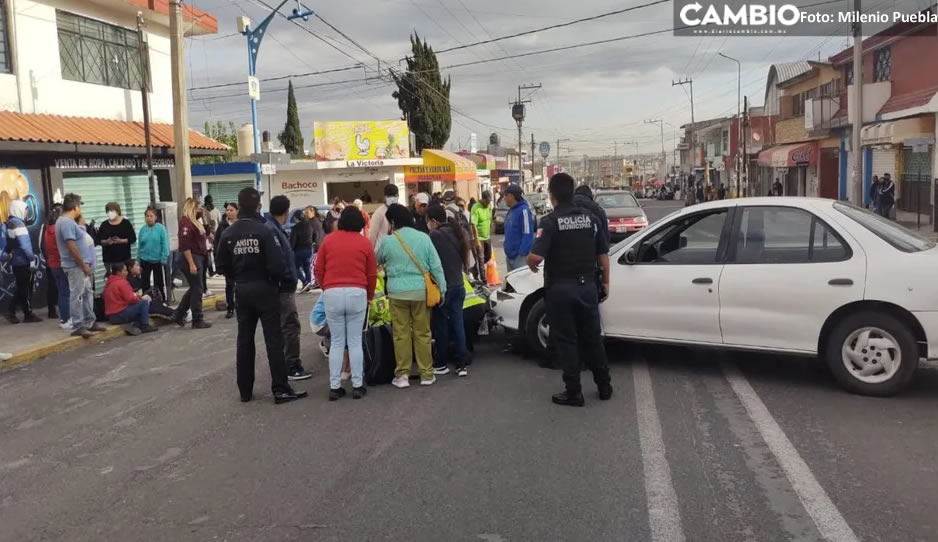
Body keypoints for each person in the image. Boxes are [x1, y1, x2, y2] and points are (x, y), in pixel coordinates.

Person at [527, 173, 612, 407]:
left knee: (567, 341)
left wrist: (529, 261)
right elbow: (603, 256)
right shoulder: (592, 219)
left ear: (551, 196)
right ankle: (604, 385)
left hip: (561, 290)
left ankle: (574, 391)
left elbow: (536, 257)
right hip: (588, 288)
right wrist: (605, 283)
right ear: (572, 192)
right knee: (593, 338)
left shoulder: (550, 222)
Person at [216, 187, 307, 405]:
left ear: (239, 206)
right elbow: (277, 265)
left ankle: (245, 391)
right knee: (273, 341)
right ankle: (280, 389)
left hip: (242, 289)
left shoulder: (229, 233)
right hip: (265, 289)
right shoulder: (264, 231)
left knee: (244, 341)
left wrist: (238, 276)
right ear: (257, 206)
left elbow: (220, 265)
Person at [377, 204, 447, 388]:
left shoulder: (388, 241)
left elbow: (378, 259)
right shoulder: (424, 238)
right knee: (423, 333)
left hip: (396, 293)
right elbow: (436, 266)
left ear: (392, 221)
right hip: (421, 293)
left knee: (401, 334)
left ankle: (402, 376)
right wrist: (442, 290)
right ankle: (426, 374)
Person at [315, 206, 378, 400]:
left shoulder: (328, 240)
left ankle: (335, 387)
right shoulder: (364, 243)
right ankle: (358, 385)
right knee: (354, 341)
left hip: (332, 292)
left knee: (337, 342)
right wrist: (368, 295)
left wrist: (327, 288)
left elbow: (318, 269)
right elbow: (371, 273)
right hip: (357, 293)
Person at [267, 195, 311, 381]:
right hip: (282, 287)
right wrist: (288, 278)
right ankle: (292, 366)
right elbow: (279, 260)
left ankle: (286, 364)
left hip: (280, 285)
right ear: (286, 211)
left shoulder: (273, 228)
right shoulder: (272, 230)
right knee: (290, 325)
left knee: (284, 326)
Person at [427, 204, 470, 377]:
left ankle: (442, 363)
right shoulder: (458, 232)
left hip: (444, 288)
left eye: (429, 222)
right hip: (459, 286)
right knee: (458, 325)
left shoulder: (435, 235)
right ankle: (461, 364)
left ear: (433, 221)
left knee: (441, 325)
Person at [56, 193, 105, 338]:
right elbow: (71, 246)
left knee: (87, 293)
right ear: (75, 207)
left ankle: (90, 321)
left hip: (79, 265)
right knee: (76, 294)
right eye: (79, 206)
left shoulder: (66, 222)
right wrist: (83, 264)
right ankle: (78, 325)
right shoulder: (66, 223)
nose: (80, 209)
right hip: (75, 265)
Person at [172, 198, 211, 329]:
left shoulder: (195, 222)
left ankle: (178, 314)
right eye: (199, 207)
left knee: (195, 288)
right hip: (191, 257)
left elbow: (207, 233)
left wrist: (204, 218)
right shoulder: (186, 222)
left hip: (199, 256)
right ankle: (197, 319)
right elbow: (184, 245)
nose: (201, 209)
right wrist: (191, 263)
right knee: (197, 289)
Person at [3, 200, 40, 324]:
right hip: (23, 261)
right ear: (18, 209)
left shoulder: (10, 222)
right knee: (25, 289)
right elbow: (24, 245)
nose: (26, 213)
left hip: (16, 261)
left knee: (21, 288)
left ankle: (12, 311)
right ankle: (27, 314)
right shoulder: (18, 224)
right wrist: (31, 260)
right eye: (25, 210)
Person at [102, 261, 158, 336]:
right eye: (124, 271)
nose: (127, 273)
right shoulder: (121, 283)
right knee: (143, 303)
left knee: (139, 309)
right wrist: (140, 297)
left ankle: (135, 325)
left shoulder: (109, 283)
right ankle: (145, 325)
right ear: (119, 272)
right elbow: (131, 299)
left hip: (112, 316)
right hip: (119, 314)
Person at [42, 204, 70, 328]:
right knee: (66, 292)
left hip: (53, 264)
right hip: (62, 263)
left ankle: (63, 318)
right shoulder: (59, 230)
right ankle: (67, 318)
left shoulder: (47, 229)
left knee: (61, 292)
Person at [137, 206, 170, 303]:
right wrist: (138, 261)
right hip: (145, 260)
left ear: (155, 217)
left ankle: (161, 300)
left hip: (158, 260)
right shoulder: (143, 229)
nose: (149, 218)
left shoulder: (160, 229)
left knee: (159, 283)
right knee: (145, 283)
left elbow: (165, 244)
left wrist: (164, 258)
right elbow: (140, 246)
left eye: (151, 216)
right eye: (147, 216)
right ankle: (146, 302)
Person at [502, 185, 536, 272]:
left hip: (520, 258)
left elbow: (527, 233)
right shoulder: (510, 211)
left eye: (505, 195)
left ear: (511, 196)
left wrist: (522, 253)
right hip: (509, 256)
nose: (504, 198)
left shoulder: (524, 211)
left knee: (521, 283)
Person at [96, 202, 136, 272]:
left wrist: (121, 241)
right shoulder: (104, 224)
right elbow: (98, 240)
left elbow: (133, 238)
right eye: (108, 211)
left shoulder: (126, 223)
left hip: (124, 258)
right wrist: (106, 242)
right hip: (109, 260)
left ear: (117, 211)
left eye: (112, 211)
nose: (110, 213)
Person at [215, 202, 238, 318]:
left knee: (241, 285)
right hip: (228, 261)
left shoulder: (241, 225)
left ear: (237, 211)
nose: (229, 212)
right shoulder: (222, 226)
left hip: (240, 259)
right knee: (230, 285)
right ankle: (230, 308)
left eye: (231, 210)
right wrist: (218, 263)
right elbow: (217, 244)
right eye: (227, 210)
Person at [368, 184, 399, 250]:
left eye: (394, 195)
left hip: (397, 248)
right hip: (382, 250)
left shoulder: (401, 210)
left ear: (398, 196)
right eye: (389, 196)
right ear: (384, 197)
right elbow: (372, 235)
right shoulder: (379, 212)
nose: (392, 198)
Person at [290, 209, 314, 292]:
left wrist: (291, 248)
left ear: (297, 218)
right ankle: (308, 283)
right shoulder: (309, 225)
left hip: (299, 250)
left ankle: (304, 281)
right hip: (309, 249)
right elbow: (315, 235)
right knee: (307, 267)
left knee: (295, 267)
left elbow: (293, 240)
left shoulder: (295, 228)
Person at [470, 190, 494, 273]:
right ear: (483, 199)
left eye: (489, 201)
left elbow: (490, 219)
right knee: (481, 259)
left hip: (487, 237)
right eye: (487, 201)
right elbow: (473, 225)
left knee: (488, 256)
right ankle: (484, 281)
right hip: (479, 238)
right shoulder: (475, 208)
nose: (488, 203)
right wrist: (476, 239)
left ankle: (474, 270)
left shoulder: (489, 206)